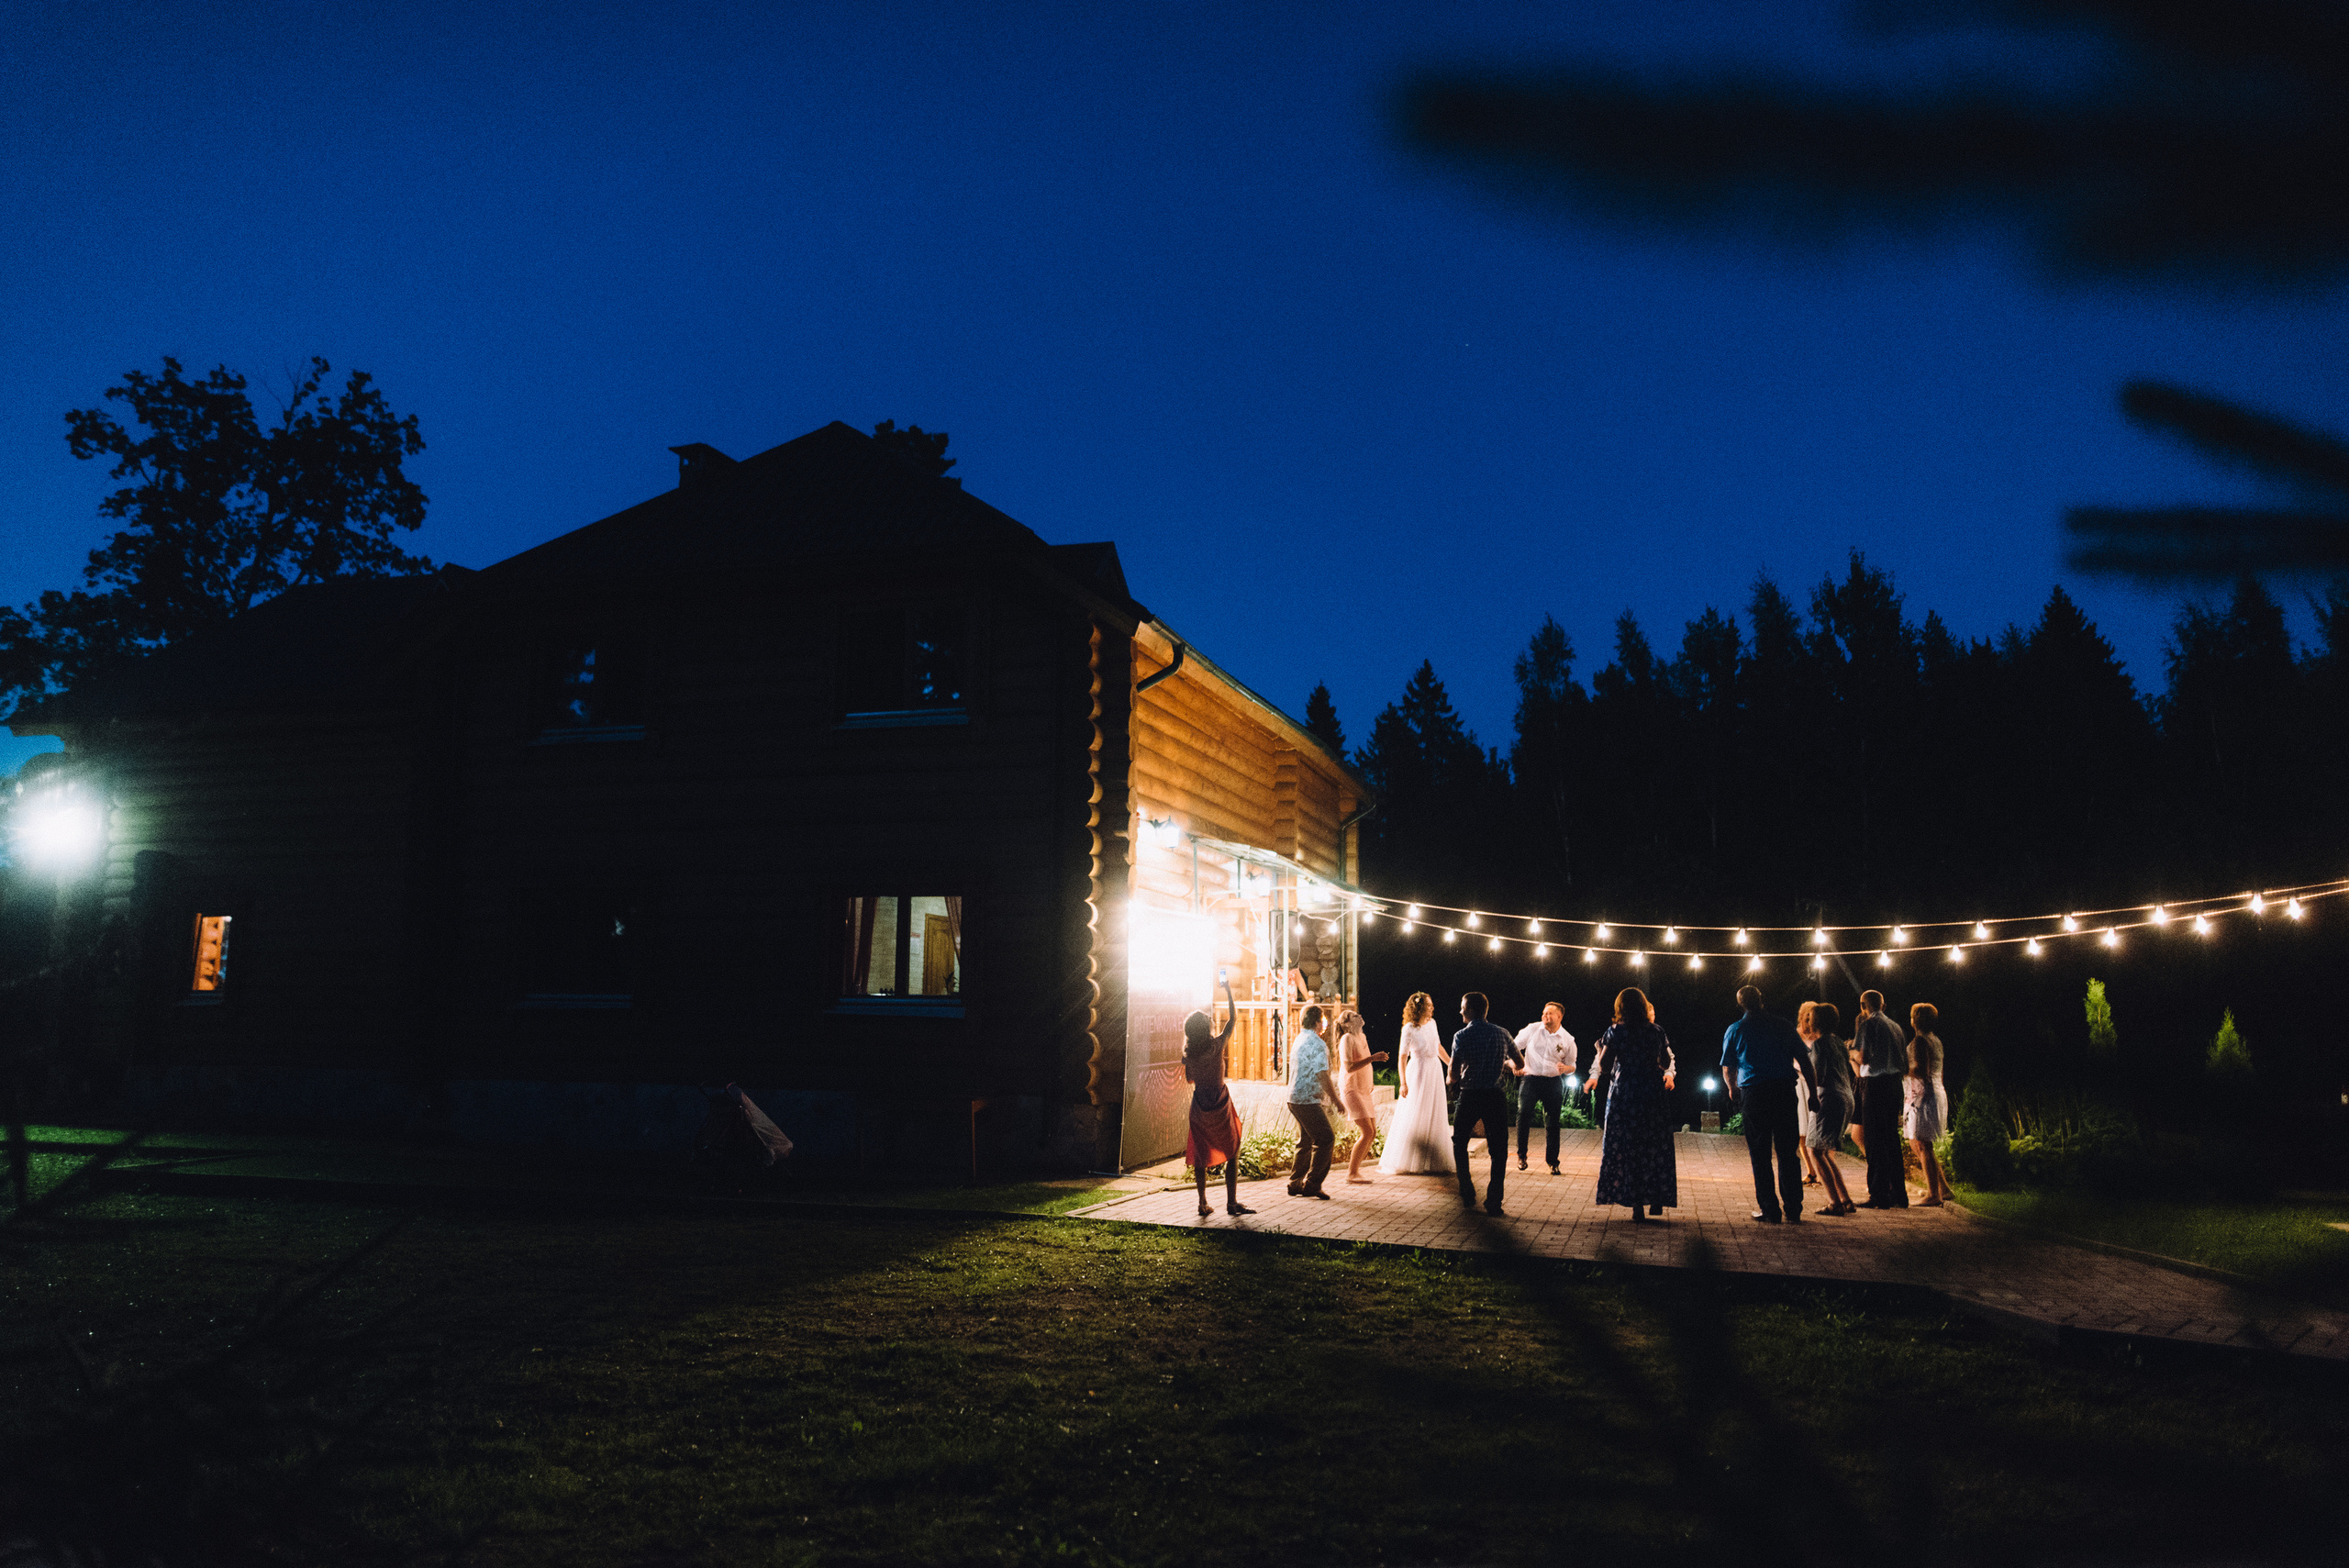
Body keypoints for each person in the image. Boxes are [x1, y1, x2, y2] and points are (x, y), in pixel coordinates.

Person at [1721, 985, 1821, 1223]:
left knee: (1760, 1153)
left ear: (1741, 1005)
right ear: (1762, 1000)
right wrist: (1813, 1095)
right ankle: (1793, 1207)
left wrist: (1732, 1089)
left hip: (1755, 1094)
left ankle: (1770, 1208)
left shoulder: (1736, 1029)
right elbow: (1805, 1062)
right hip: (1784, 1091)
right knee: (1788, 1151)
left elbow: (1728, 1066)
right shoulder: (1784, 1026)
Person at [1588, 987, 1678, 1220]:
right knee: (1653, 1145)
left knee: (1628, 1147)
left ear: (1620, 1007)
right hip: (1651, 1093)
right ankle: (1656, 1197)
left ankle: (1637, 1205)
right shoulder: (1656, 1031)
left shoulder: (1616, 1031)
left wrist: (1600, 1050)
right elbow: (1665, 1062)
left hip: (1625, 1094)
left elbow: (1605, 1066)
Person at [1183, 975, 1253, 1219]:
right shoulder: (1217, 1046)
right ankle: (1231, 1202)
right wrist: (1229, 991)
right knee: (1232, 1149)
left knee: (1201, 1154)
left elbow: (1189, 1079)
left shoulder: (1189, 1055)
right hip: (1220, 1103)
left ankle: (1202, 1202)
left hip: (1200, 1103)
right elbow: (1233, 1019)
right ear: (1208, 1028)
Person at [1448, 991, 1514, 1215]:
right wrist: (1497, 1063)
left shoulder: (1461, 1036)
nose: (1460, 1011)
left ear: (1471, 1010)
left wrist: (1450, 1080)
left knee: (1459, 1142)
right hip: (1495, 1096)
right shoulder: (1503, 1033)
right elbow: (1519, 1061)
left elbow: (1454, 1073)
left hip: (1470, 1094)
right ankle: (1494, 1201)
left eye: (1462, 1007)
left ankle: (1467, 1191)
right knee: (1499, 1149)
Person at [1379, 992, 1454, 1175]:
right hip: (1418, 1070)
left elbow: (1438, 1047)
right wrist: (1403, 1083)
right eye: (1429, 1005)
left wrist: (1451, 1064)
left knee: (1433, 1111)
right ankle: (1411, 1159)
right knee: (1416, 1111)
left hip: (1434, 1070)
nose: (1432, 1008)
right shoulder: (1409, 1029)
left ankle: (1433, 1160)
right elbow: (1402, 1057)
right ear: (1419, 1008)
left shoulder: (1433, 1024)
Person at [1853, 990, 1910, 1208]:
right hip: (1895, 1084)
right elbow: (1903, 1061)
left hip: (1875, 1084)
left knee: (1874, 1140)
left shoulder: (1868, 1025)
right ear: (1883, 1005)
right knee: (1891, 1140)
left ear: (1863, 1005)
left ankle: (1879, 1195)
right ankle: (1899, 1193)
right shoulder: (1896, 1027)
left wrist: (1851, 1052)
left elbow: (1864, 1056)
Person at [1803, 1001, 1859, 1217]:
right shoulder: (1837, 1042)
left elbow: (1820, 1075)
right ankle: (1845, 1199)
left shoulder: (1820, 1044)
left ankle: (1835, 1203)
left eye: (1810, 1017)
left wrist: (1806, 1081)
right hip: (1846, 1096)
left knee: (1815, 1150)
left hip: (1830, 1097)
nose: (1807, 1021)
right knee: (1824, 1151)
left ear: (1816, 1021)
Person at [1510, 1002, 1578, 1174]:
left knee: (1553, 1122)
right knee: (1524, 1114)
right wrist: (1515, 1064)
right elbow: (1513, 1047)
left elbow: (1572, 1065)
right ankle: (1521, 1156)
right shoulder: (1532, 1029)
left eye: (1549, 1014)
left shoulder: (1568, 1040)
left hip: (1553, 1082)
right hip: (1530, 1079)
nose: (1545, 1017)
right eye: (1544, 1013)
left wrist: (1567, 1069)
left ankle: (1553, 1161)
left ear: (1559, 1017)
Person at [1285, 1004, 1341, 1199]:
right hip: (1308, 1099)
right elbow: (1322, 1075)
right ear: (1318, 1022)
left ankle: (1295, 1183)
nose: (1324, 1023)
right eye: (1323, 1019)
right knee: (1326, 1138)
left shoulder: (1299, 1039)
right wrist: (1336, 1100)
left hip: (1294, 1098)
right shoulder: (1318, 1044)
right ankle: (1312, 1184)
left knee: (1306, 1139)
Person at [1333, 1009, 1389, 1184]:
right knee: (1367, 1132)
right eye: (1355, 1016)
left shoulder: (1362, 1037)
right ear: (1347, 1023)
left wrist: (1369, 1083)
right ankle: (1352, 1173)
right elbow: (1349, 1067)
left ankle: (1355, 1171)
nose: (1360, 1016)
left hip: (1363, 1089)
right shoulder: (1346, 1039)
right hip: (1351, 1088)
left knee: (1372, 1132)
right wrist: (1374, 1058)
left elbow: (1365, 1063)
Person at [1906, 1002, 1953, 1207]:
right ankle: (1943, 1188)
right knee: (1919, 1143)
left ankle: (1934, 1194)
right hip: (1936, 1091)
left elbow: (1921, 1070)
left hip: (1924, 1095)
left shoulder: (1920, 1041)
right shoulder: (1937, 1040)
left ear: (1914, 1020)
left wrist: (1901, 1068)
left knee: (1924, 1144)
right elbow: (1938, 1072)